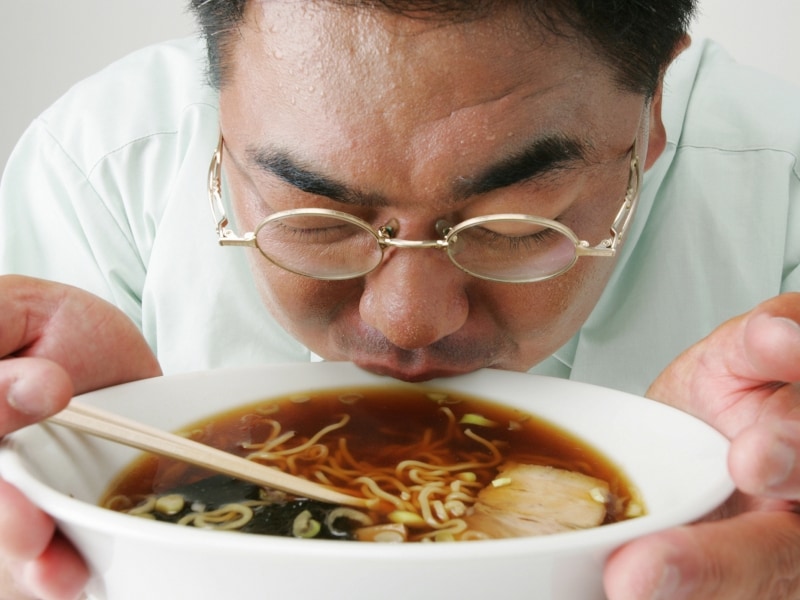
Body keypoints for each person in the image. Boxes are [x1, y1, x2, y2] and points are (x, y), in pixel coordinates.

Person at [0, 0, 798, 598]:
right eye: (317, 220)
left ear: (652, 110)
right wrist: (52, 486)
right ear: (220, 118)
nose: (407, 321)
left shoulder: (783, 197)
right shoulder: (100, 174)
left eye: (515, 225)